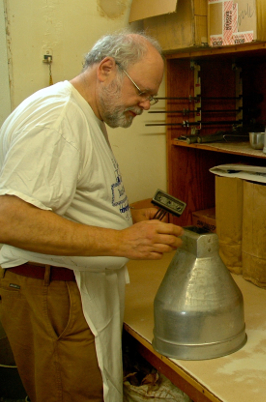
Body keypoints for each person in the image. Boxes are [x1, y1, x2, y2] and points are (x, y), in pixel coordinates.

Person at [0, 31, 184, 402]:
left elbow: (63, 201)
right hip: (54, 295)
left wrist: (124, 217)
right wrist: (120, 240)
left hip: (71, 290)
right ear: (106, 69)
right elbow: (9, 217)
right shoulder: (58, 118)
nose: (146, 104)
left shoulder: (84, 114)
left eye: (152, 96)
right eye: (142, 92)